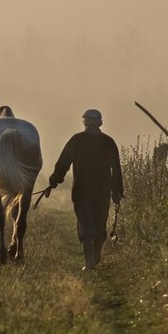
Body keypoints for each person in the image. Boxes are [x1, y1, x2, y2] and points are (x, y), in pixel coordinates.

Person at [41, 108, 124, 270]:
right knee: (100, 225)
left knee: (86, 226)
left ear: (84, 122)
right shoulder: (108, 142)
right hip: (102, 192)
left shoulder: (77, 140)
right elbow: (117, 169)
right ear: (100, 123)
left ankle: (89, 261)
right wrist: (117, 191)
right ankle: (96, 256)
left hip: (81, 192)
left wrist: (54, 181)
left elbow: (63, 163)